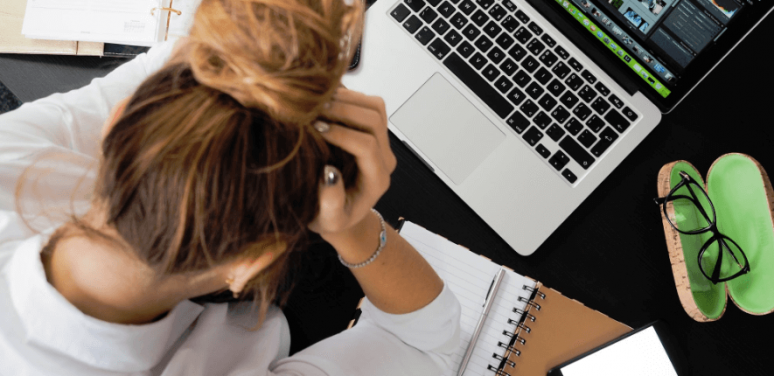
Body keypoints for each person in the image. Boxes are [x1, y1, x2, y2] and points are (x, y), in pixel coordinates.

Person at [0, 0, 461, 375]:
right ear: (251, 266)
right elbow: (423, 342)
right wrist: (355, 226)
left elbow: (179, 63)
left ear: (116, 122)